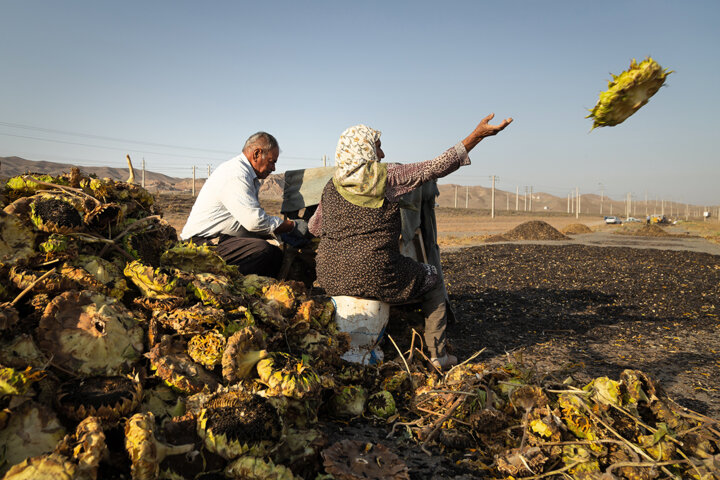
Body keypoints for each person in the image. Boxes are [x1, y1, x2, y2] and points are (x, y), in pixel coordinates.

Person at [308, 114, 512, 370]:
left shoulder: (331, 186)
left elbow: (315, 227)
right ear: (365, 149)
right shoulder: (386, 177)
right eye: (377, 146)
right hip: (377, 273)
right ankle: (437, 355)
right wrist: (476, 136)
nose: (381, 154)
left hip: (330, 275)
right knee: (432, 277)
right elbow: (435, 167)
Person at [180, 132, 308, 277]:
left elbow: (246, 224)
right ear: (257, 154)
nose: (273, 168)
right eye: (272, 161)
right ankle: (231, 285)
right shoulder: (236, 174)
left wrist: (278, 233)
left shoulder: (247, 175)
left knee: (275, 256)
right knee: (261, 250)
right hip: (200, 244)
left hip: (219, 240)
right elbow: (254, 221)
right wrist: (291, 226)